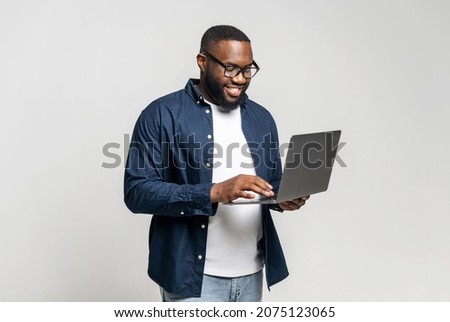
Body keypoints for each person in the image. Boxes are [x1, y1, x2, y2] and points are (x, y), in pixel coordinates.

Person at [124, 25, 309, 302]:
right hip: (191, 279)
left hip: (252, 274)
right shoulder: (162, 114)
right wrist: (214, 192)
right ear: (202, 61)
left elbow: (271, 183)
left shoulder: (262, 118)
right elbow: (137, 193)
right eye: (231, 68)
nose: (241, 79)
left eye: (248, 69)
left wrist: (283, 199)